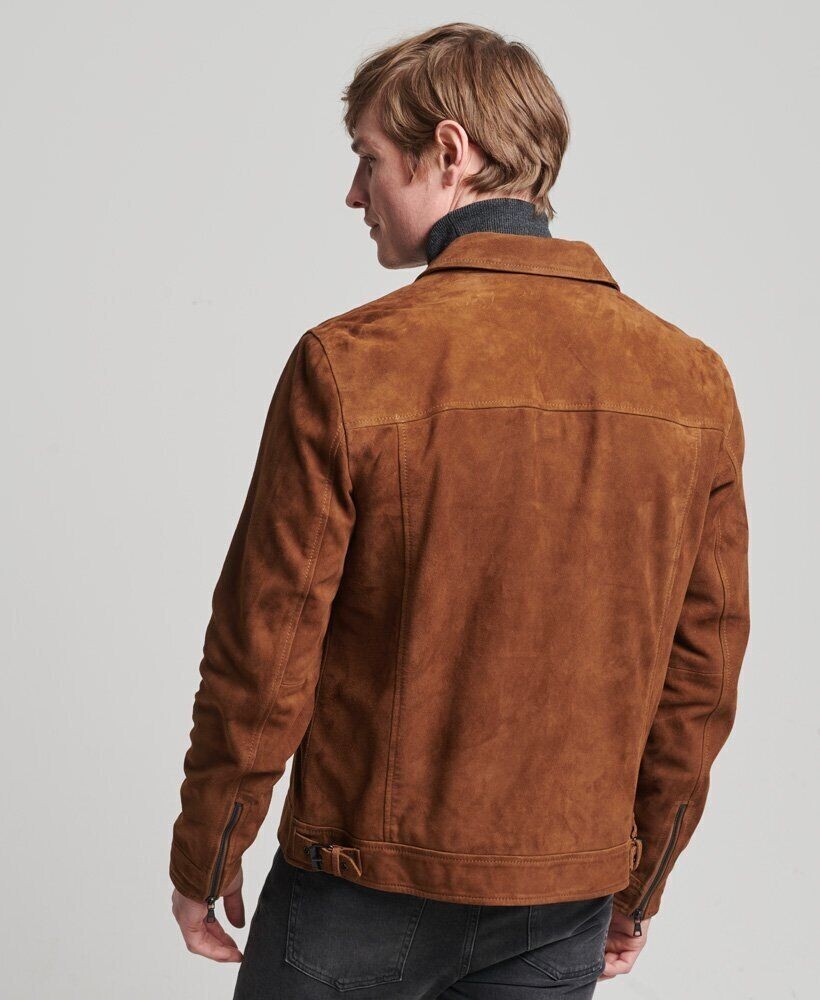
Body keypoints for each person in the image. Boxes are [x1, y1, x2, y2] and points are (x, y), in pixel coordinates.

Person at [169, 22, 750, 999]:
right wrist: (641, 876)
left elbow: (265, 645)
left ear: (449, 151)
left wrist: (210, 847)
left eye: (367, 160)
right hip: (561, 893)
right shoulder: (690, 381)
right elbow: (703, 672)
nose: (353, 194)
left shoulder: (350, 363)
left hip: (359, 886)